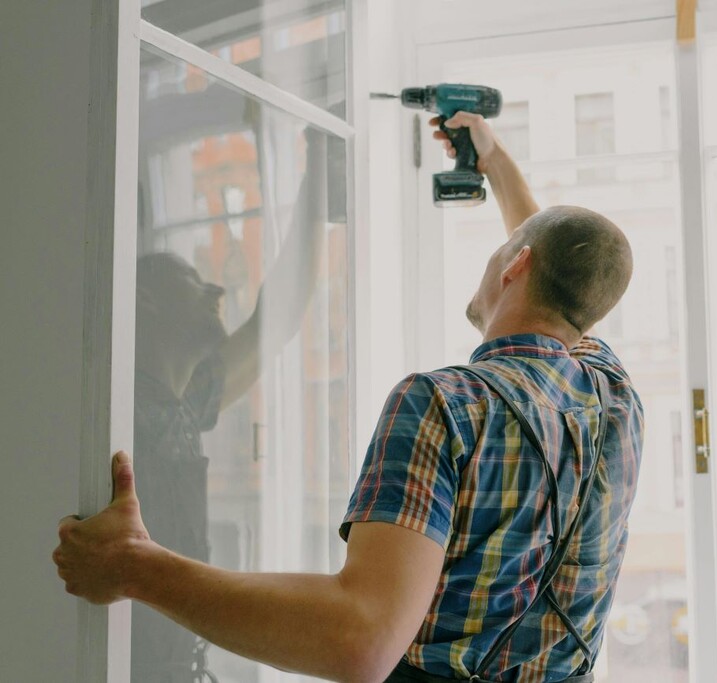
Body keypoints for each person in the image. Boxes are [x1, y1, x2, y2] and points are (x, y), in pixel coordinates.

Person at [53, 112, 643, 683]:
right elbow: (568, 280)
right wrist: (493, 162)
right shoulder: (615, 399)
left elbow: (361, 640)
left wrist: (132, 565)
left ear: (516, 266)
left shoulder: (446, 405)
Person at [130, 127, 328, 682]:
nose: (217, 290)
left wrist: (317, 177)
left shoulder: (183, 401)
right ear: (145, 299)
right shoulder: (117, 410)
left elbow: (278, 316)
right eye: (192, 281)